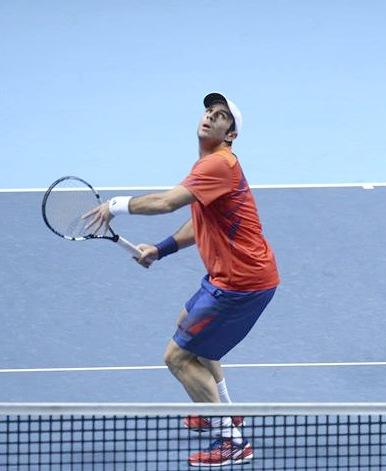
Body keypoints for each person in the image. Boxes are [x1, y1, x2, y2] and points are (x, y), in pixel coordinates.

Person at [85, 93, 279, 466]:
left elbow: (166, 202)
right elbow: (199, 223)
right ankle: (223, 409)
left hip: (241, 283)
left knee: (177, 357)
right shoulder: (209, 166)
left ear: (230, 135)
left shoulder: (218, 164)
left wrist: (115, 205)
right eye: (208, 111)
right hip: (228, 277)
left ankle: (232, 441)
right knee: (189, 327)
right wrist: (160, 249)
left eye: (221, 116)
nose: (210, 116)